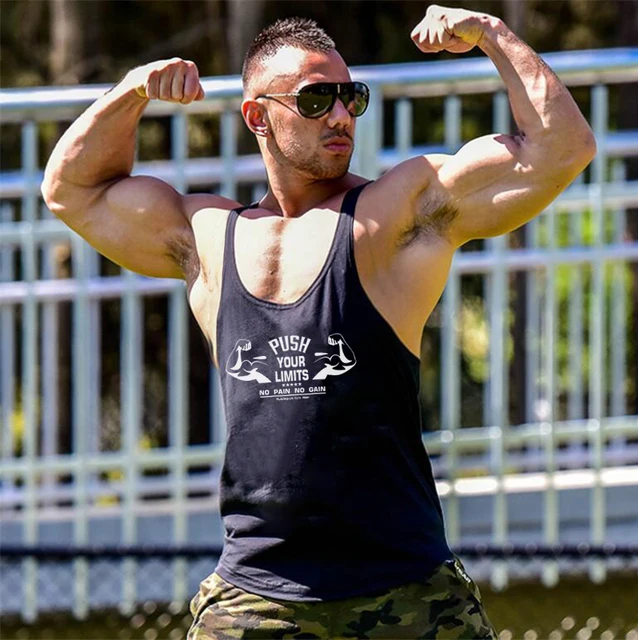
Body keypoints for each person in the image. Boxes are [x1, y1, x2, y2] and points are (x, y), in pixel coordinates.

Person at [41, 5, 595, 639]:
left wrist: (491, 34)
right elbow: (72, 190)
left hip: (407, 593)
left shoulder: (396, 212)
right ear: (258, 117)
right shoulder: (207, 236)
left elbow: (561, 148)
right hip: (257, 596)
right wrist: (133, 91)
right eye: (315, 100)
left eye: (349, 97)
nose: (340, 116)